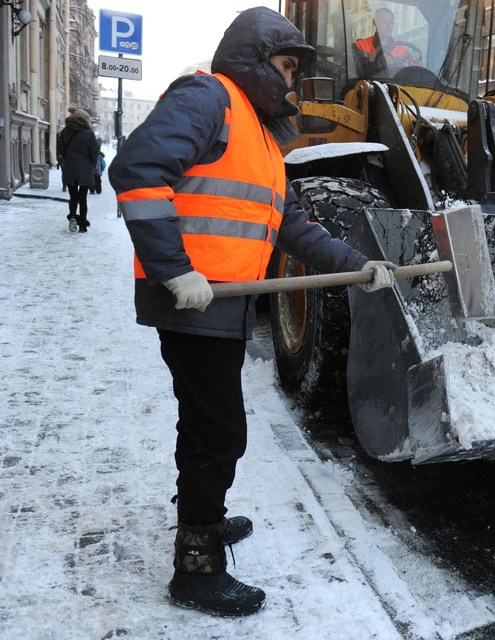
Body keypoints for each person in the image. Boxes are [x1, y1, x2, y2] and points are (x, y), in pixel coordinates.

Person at [108, 7, 396, 618]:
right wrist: (174, 269)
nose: (292, 80)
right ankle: (197, 566)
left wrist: (358, 265)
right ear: (254, 59)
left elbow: (290, 224)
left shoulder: (263, 137)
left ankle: (204, 516)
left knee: (209, 425)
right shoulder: (209, 98)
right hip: (194, 299)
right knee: (218, 433)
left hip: (223, 304)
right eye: (286, 66)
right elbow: (135, 170)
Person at [57, 107, 99, 232]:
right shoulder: (89, 133)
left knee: (73, 197)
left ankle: (73, 218)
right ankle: (83, 225)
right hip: (85, 169)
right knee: (83, 197)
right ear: (84, 119)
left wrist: (70, 159)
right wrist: (91, 164)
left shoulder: (65, 131)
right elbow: (94, 151)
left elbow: (61, 149)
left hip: (70, 168)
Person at [354, 7, 421, 76]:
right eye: (384, 21)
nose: (388, 25)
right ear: (374, 22)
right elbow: (354, 74)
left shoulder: (403, 51)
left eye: (391, 22)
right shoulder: (360, 46)